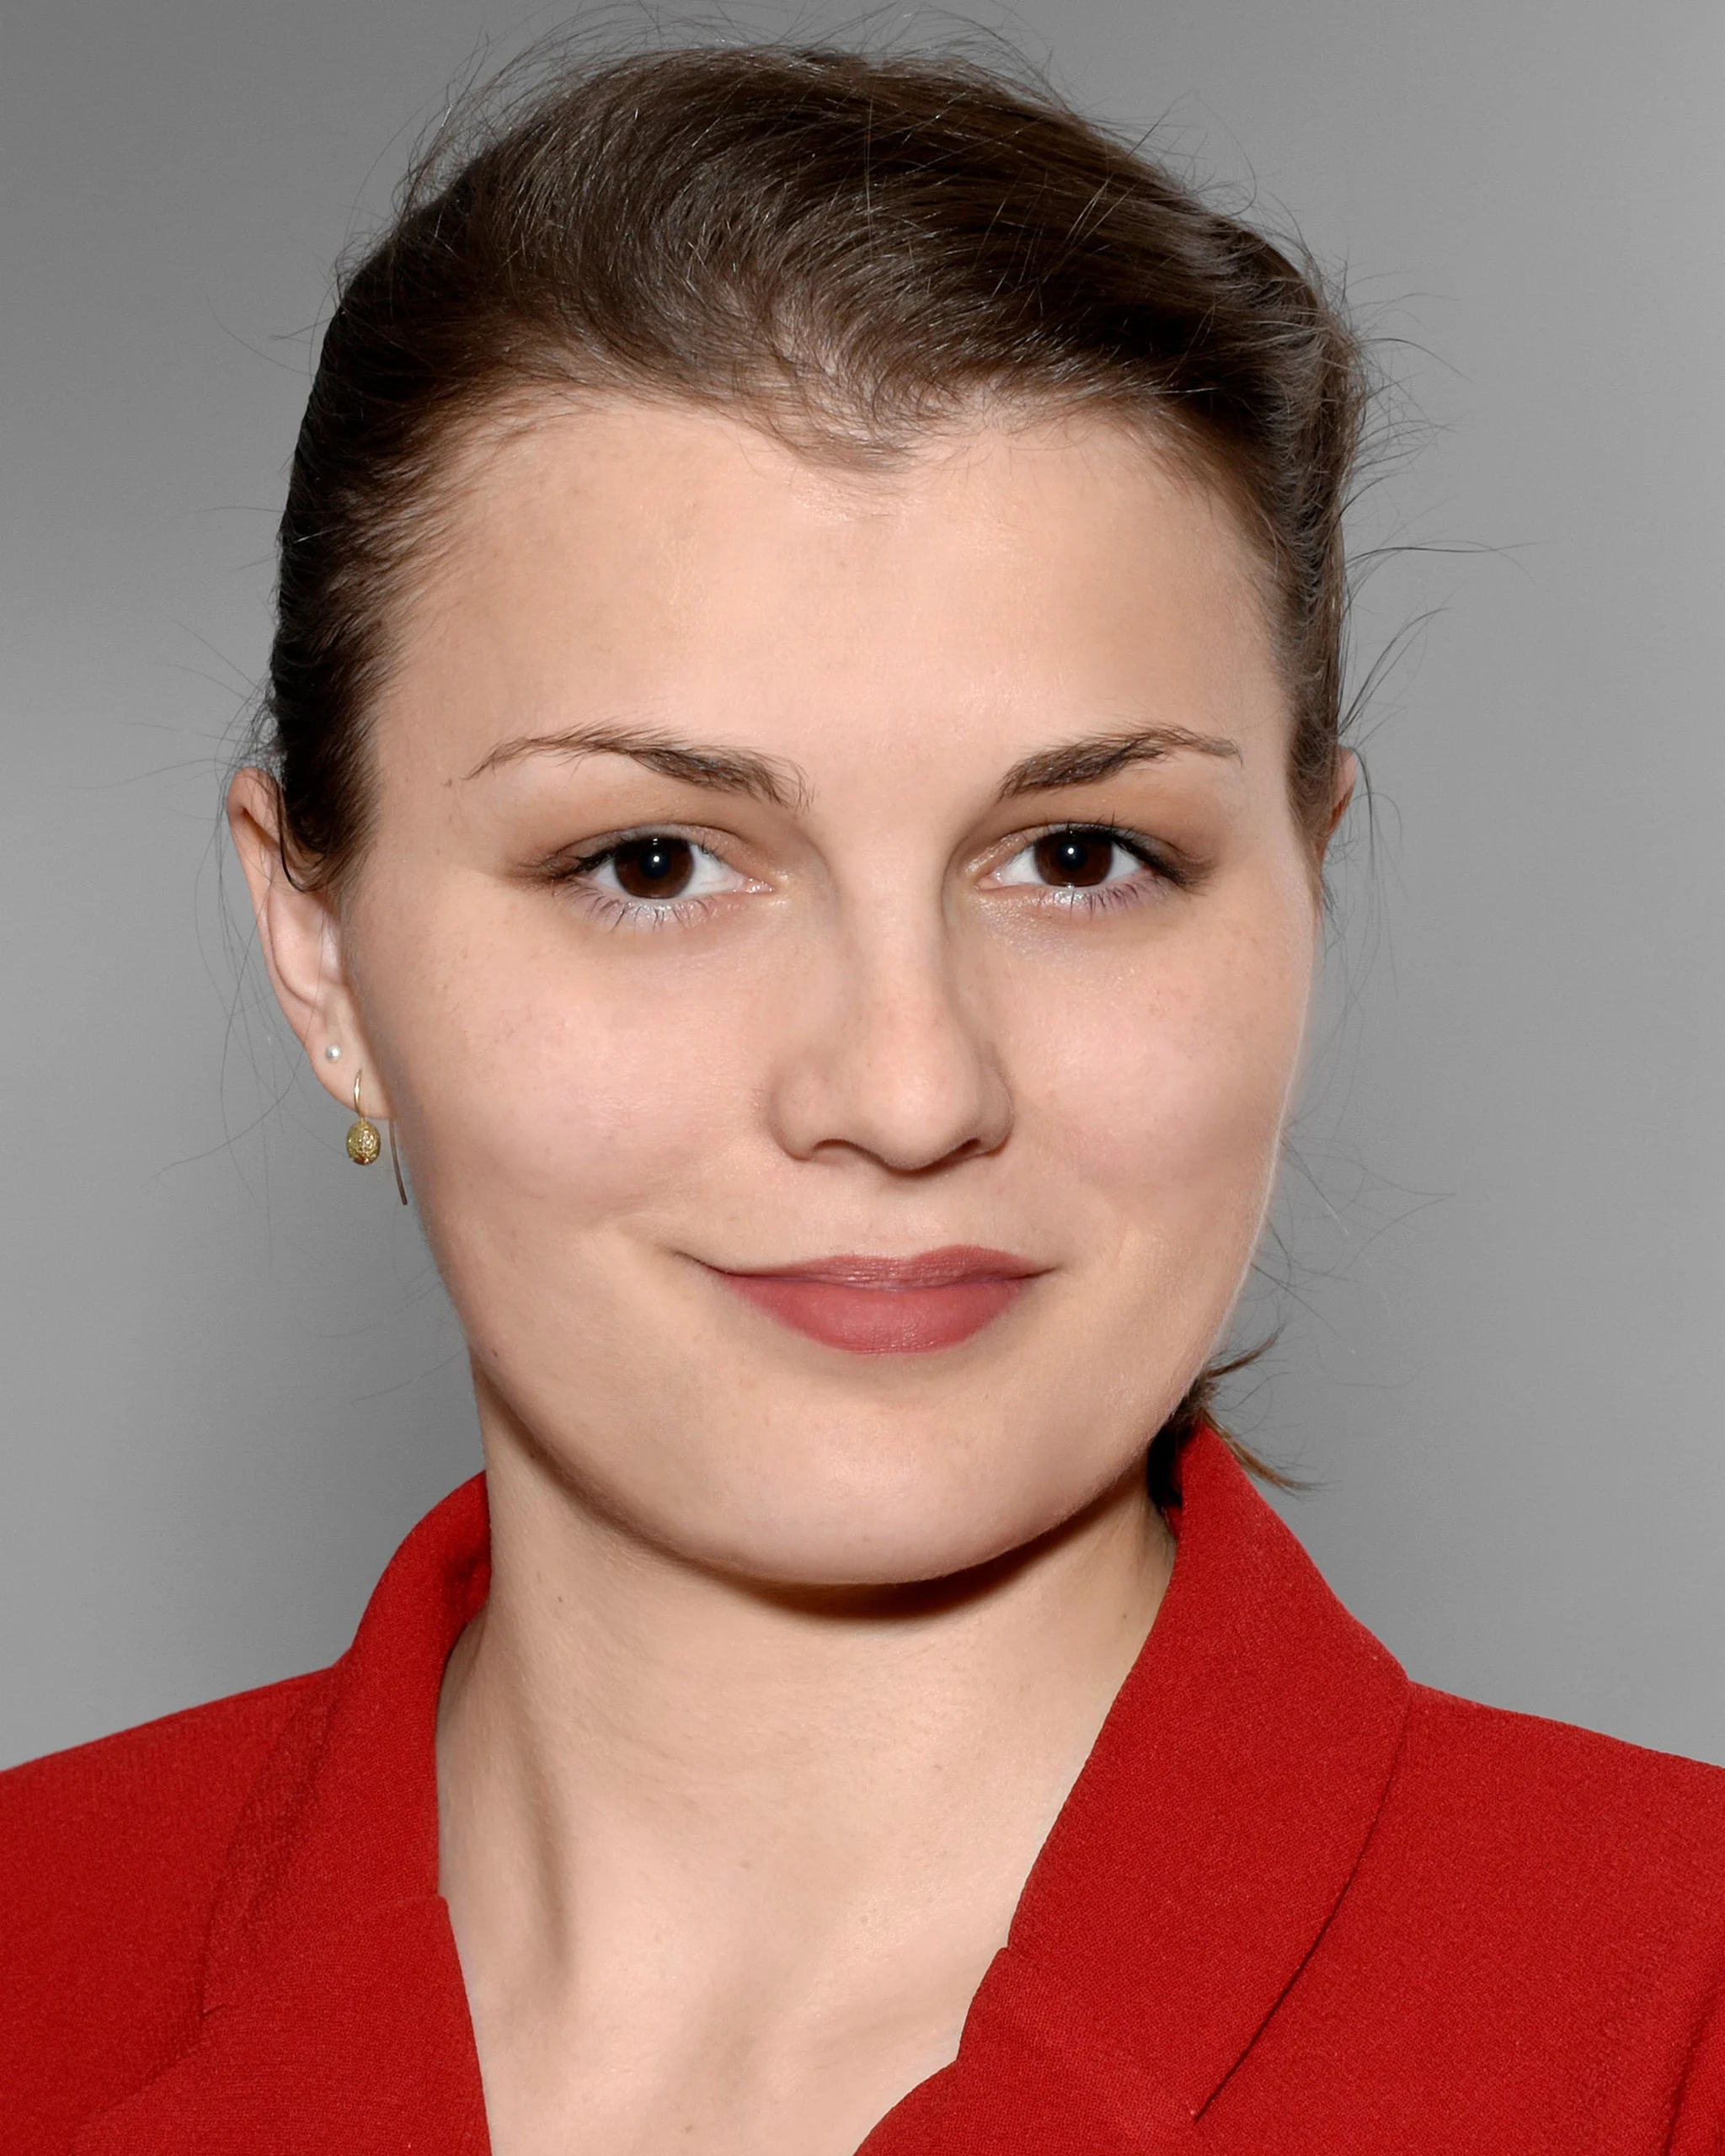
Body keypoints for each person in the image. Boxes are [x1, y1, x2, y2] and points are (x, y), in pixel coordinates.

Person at [4, 39, 1722, 2156]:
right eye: (653, 863)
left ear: (1308, 885)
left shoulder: (1674, 2015)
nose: (906, 1090)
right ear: (320, 948)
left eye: (1081, 856)